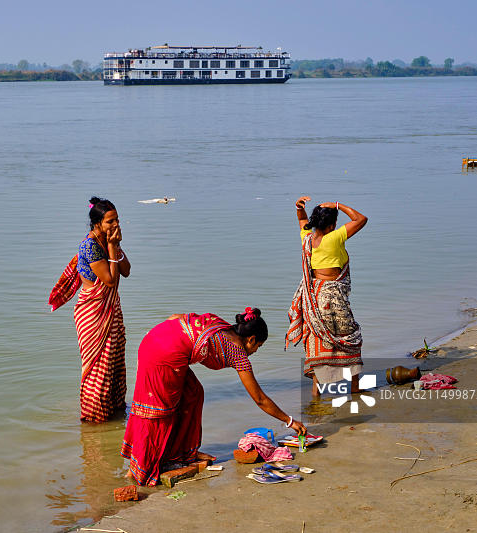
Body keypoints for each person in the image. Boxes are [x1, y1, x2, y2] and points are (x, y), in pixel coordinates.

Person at [121, 308, 307, 486]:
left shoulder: (220, 324)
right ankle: (139, 469)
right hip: (162, 356)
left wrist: (174, 342)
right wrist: (289, 420)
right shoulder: (238, 352)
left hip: (156, 338)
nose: (255, 351)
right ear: (251, 339)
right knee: (159, 410)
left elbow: (175, 317)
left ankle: (183, 454)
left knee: (193, 393)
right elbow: (259, 398)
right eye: (258, 346)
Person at [48, 197, 131, 422]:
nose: (116, 224)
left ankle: (114, 415)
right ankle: (94, 422)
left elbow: (126, 271)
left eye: (117, 219)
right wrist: (112, 247)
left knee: (114, 363)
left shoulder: (108, 241)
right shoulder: (90, 246)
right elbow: (110, 281)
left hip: (111, 309)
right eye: (110, 221)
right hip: (93, 313)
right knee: (98, 369)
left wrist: (116, 246)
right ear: (97, 223)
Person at [286, 197, 368, 398]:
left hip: (314, 297)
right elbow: (361, 219)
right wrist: (338, 205)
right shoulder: (334, 238)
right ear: (332, 224)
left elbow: (302, 222)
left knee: (319, 339)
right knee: (349, 336)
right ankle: (354, 385)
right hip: (333, 297)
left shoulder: (307, 239)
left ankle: (316, 390)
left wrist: (299, 208)